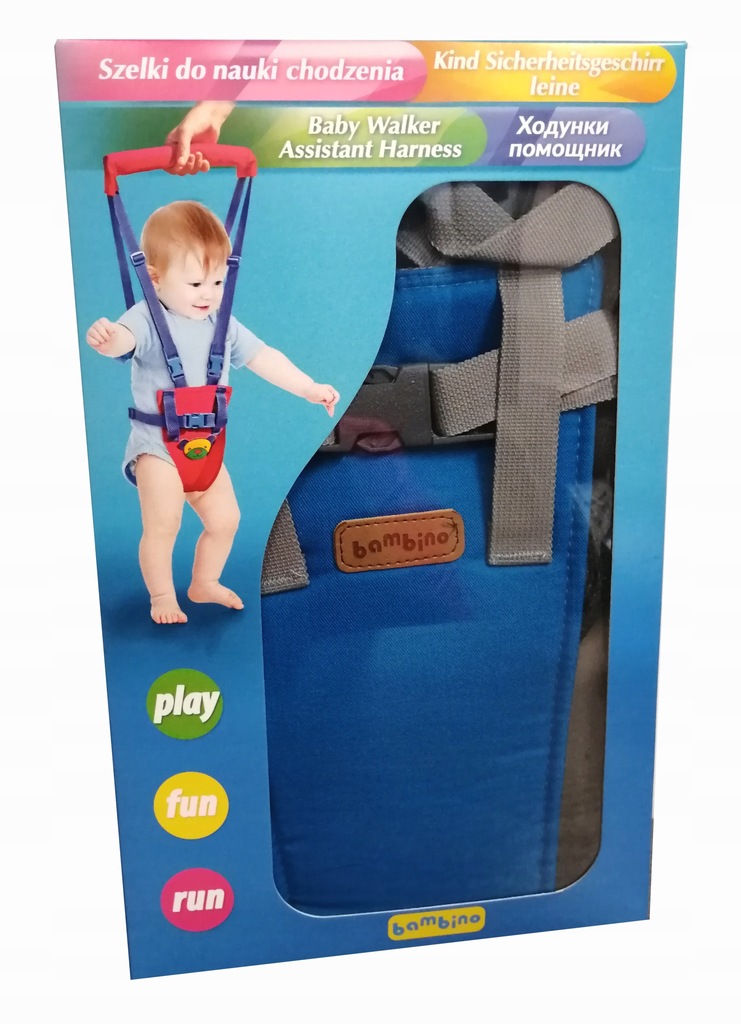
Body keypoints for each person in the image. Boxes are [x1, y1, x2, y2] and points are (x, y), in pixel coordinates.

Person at [87, 199, 339, 626]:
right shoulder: (146, 318)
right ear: (155, 278)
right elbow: (123, 340)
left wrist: (308, 388)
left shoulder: (221, 323)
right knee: (164, 524)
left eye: (218, 280)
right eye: (195, 283)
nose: (209, 293)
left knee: (226, 520)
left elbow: (262, 357)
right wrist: (109, 339)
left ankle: (204, 582)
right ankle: (162, 595)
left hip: (205, 446)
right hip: (157, 449)